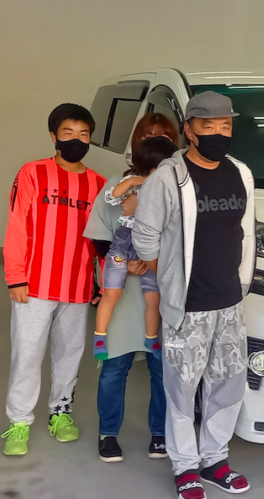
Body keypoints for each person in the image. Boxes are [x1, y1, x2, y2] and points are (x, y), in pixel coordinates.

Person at [133, 92, 255, 498]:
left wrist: (239, 281)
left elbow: (245, 231)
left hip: (230, 302)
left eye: (226, 126)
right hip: (188, 307)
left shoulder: (240, 173)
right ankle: (185, 466)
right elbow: (145, 239)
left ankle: (215, 460)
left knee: (227, 385)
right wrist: (172, 282)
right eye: (209, 126)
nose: (219, 133)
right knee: (182, 390)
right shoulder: (168, 178)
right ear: (189, 129)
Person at [1, 103, 106, 456]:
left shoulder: (98, 184)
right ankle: (19, 421)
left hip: (77, 287)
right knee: (27, 354)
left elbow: (103, 239)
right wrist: (15, 276)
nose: (76, 140)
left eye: (83, 134)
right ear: (53, 137)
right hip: (34, 286)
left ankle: (60, 413)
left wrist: (103, 284)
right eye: (68, 133)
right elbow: (17, 224)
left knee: (69, 354)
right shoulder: (32, 173)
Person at [83, 114, 179, 463]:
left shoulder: (181, 187)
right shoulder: (117, 185)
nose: (156, 141)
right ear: (137, 143)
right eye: (149, 136)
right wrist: (125, 261)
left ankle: (160, 433)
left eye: (164, 136)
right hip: (123, 290)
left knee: (162, 369)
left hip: (163, 289)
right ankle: (108, 433)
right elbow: (98, 236)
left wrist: (152, 260)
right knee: (114, 367)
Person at [92, 137, 179, 362]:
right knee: (112, 292)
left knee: (154, 298)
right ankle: (100, 336)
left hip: (151, 247)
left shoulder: (170, 188)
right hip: (123, 245)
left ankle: (151, 338)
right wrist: (133, 182)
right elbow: (111, 197)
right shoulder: (131, 181)